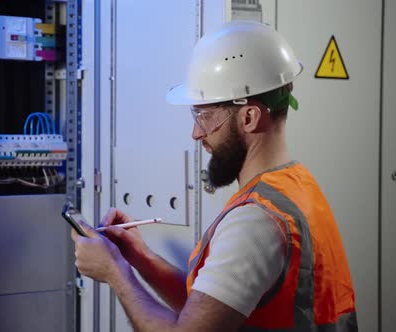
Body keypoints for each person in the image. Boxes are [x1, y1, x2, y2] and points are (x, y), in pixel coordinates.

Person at [71, 20, 357, 331]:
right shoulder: (294, 186)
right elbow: (213, 307)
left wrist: (116, 274)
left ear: (249, 117)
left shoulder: (257, 221)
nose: (196, 133)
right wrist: (139, 257)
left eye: (205, 116)